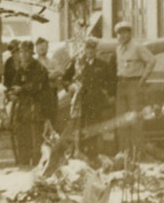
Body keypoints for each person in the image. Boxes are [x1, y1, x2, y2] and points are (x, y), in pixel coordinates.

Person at [63, 37, 115, 158]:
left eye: (92, 49)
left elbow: (111, 82)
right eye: (87, 48)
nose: (90, 51)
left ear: (96, 50)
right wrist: (71, 87)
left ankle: (93, 154)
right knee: (79, 127)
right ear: (84, 50)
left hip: (96, 102)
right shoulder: (77, 64)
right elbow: (65, 79)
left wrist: (107, 93)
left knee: (93, 127)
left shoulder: (102, 65)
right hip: (80, 101)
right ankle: (79, 152)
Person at [4, 39, 50, 166]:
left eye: (25, 52)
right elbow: (13, 84)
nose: (22, 55)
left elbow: (37, 86)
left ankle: (36, 169)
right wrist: (11, 94)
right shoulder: (21, 69)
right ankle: (22, 167)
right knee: (22, 141)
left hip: (35, 110)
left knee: (35, 143)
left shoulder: (39, 68)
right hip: (22, 111)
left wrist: (22, 89)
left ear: (31, 53)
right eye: (21, 52)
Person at [113, 22, 155, 155]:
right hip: (122, 84)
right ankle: (124, 151)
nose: (122, 35)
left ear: (130, 33)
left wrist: (144, 77)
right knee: (121, 118)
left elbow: (152, 60)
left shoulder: (137, 46)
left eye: (125, 32)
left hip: (134, 84)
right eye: (120, 33)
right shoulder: (118, 48)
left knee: (135, 118)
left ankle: (137, 152)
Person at [35, 38, 60, 129]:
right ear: (36, 49)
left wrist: (46, 74)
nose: (42, 49)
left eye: (44, 47)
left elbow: (59, 72)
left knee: (53, 116)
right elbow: (38, 77)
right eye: (40, 47)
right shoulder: (35, 63)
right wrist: (50, 73)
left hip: (53, 93)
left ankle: (52, 138)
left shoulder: (53, 61)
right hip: (42, 94)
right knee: (43, 118)